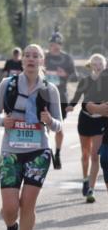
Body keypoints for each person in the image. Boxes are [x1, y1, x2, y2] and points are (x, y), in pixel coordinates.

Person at [0, 44, 63, 230]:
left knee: (28, 205)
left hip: (38, 153)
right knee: (11, 208)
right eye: (27, 55)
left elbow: (59, 125)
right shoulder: (8, 84)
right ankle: (11, 227)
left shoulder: (50, 89)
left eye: (36, 56)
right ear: (22, 61)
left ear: (42, 61)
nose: (31, 59)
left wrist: (50, 121)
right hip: (11, 151)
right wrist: (4, 121)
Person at [71, 54, 108, 202]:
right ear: (91, 65)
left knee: (95, 155)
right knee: (85, 155)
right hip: (85, 120)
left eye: (101, 64)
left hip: (100, 122)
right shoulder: (85, 81)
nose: (98, 66)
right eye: (95, 64)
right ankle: (85, 179)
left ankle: (91, 189)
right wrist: (69, 106)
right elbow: (77, 96)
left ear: (104, 66)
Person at [45, 33, 76, 169]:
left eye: (57, 44)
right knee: (43, 126)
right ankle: (45, 152)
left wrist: (65, 74)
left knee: (58, 127)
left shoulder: (67, 58)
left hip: (60, 96)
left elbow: (75, 76)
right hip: (44, 95)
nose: (54, 47)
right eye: (52, 44)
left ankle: (57, 153)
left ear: (61, 45)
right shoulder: (44, 57)